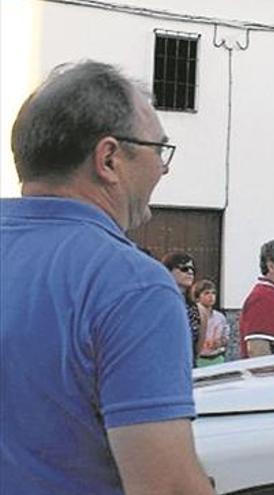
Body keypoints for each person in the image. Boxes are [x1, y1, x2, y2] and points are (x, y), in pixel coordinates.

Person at [0, 61, 213, 494]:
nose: (164, 169)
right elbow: (167, 488)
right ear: (109, 159)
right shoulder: (133, 286)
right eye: (159, 150)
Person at [162, 252, 207, 367]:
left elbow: (197, 350)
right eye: (184, 268)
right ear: (169, 271)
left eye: (193, 269)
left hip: (186, 369)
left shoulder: (199, 311)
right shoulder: (159, 305)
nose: (190, 272)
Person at [192, 279, 230, 367]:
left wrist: (219, 342)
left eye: (213, 293)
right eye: (206, 293)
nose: (211, 296)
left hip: (217, 358)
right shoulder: (194, 317)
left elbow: (226, 337)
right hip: (200, 359)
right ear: (198, 297)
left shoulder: (220, 317)